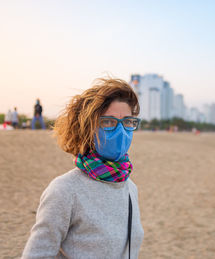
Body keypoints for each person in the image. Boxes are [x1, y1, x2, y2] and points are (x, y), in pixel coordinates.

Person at [22, 78, 144, 258]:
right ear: (88, 128)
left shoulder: (129, 188)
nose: (121, 131)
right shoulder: (65, 190)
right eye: (108, 122)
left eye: (127, 122)